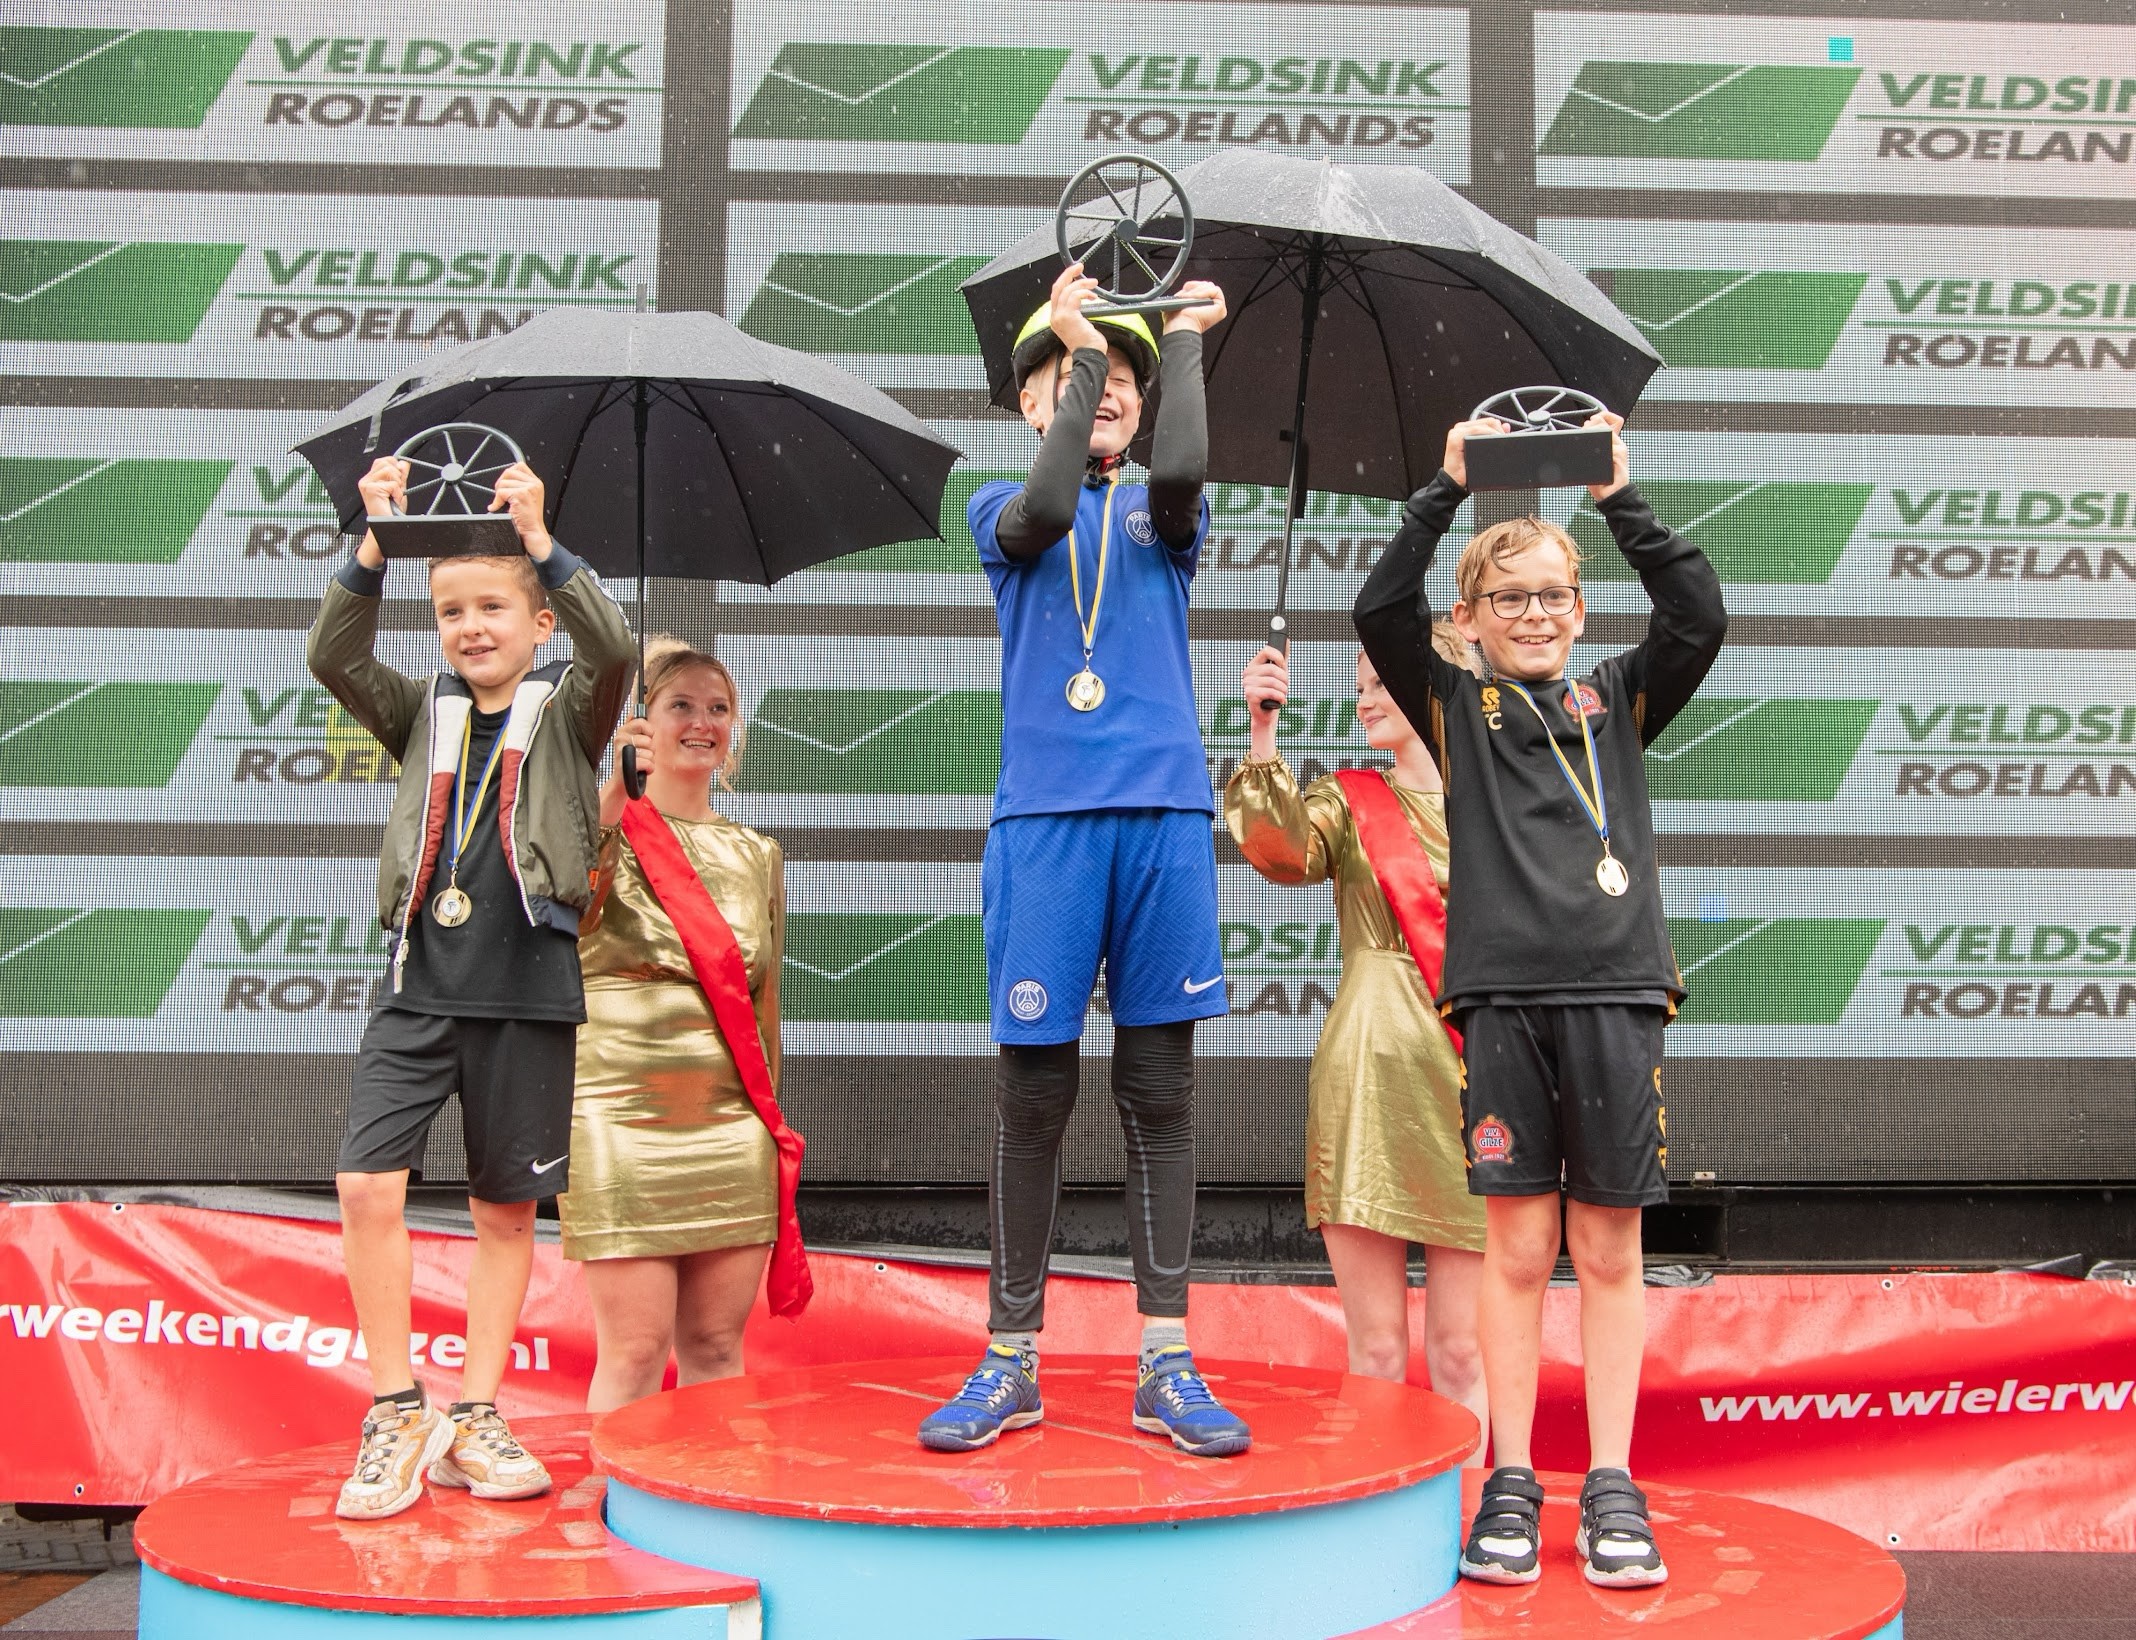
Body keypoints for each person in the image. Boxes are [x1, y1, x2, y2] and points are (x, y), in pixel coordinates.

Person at [1353, 412, 1726, 1588]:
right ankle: (1510, 1478)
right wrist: (1445, 485)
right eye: (1507, 597)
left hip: (1617, 995)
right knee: (1516, 1250)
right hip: (1504, 1001)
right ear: (1468, 618)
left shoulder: (1619, 697)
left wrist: (1619, 498)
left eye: (1553, 594)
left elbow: (1698, 616)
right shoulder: (1457, 708)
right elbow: (1379, 607)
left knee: (1609, 1249)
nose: (1533, 614)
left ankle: (1611, 1480)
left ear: (1580, 604)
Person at [916, 262, 1250, 1459]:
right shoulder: (998, 507)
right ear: (1029, 399)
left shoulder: (1169, 513)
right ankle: (1012, 1356)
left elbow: (1185, 474)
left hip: (1162, 817)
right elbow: (1050, 506)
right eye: (1066, 374)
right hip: (1046, 825)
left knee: (1159, 1090)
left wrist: (1185, 341)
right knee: (1035, 1093)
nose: (1100, 391)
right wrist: (1093, 351)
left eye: (1118, 382)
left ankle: (1167, 1357)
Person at [306, 455, 635, 1521]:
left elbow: (616, 649)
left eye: (493, 607)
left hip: (529, 991)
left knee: (504, 1211)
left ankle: (478, 1415)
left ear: (538, 622)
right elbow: (331, 653)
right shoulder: (419, 712)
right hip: (420, 984)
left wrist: (541, 539)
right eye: (451, 610)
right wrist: (376, 539)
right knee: (367, 1186)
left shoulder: (572, 710)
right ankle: (396, 1407)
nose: (471, 626)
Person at [1226, 637, 1488, 1452]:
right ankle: (1382, 1521)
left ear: (1435, 685)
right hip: (1367, 1078)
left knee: (1463, 1350)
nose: (1365, 699)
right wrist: (1262, 731)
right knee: (1375, 1351)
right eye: (1361, 685)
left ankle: (1474, 1511)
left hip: (1480, 1080)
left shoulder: (1508, 804)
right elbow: (1279, 850)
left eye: (1382, 682)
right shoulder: (1350, 799)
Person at [561, 637, 809, 1411]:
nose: (702, 723)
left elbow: (764, 1007)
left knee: (715, 1347)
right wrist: (611, 796)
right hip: (618, 1116)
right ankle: (611, 1492)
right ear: (642, 724)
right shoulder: (598, 829)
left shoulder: (757, 853)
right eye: (680, 706)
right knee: (634, 1351)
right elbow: (566, 913)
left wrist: (769, 1125)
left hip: (731, 1128)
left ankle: (711, 1489)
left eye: (718, 708)